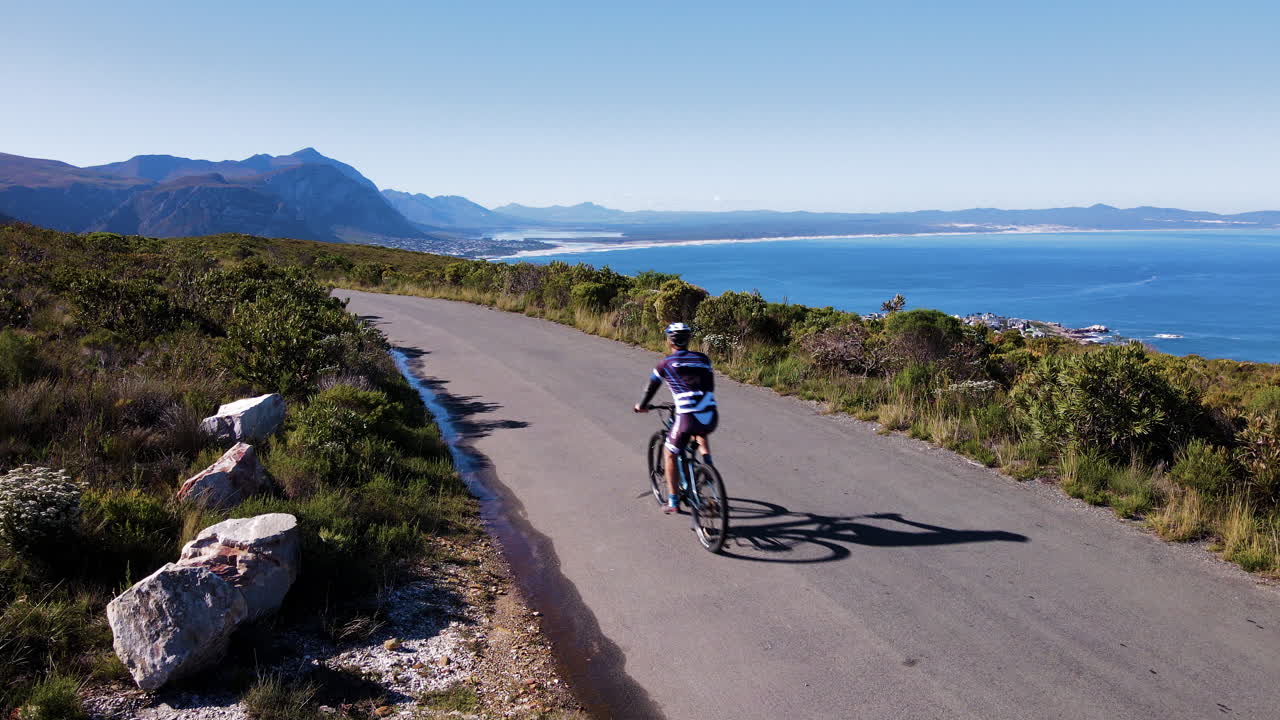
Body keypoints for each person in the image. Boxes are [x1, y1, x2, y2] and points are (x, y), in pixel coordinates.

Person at [633, 322, 718, 513]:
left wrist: (642, 405)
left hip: (686, 416)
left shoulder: (666, 363)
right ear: (688, 340)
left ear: (669, 340)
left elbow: (651, 388)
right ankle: (708, 466)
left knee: (670, 453)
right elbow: (708, 386)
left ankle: (672, 501)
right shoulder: (704, 359)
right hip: (710, 414)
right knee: (699, 431)